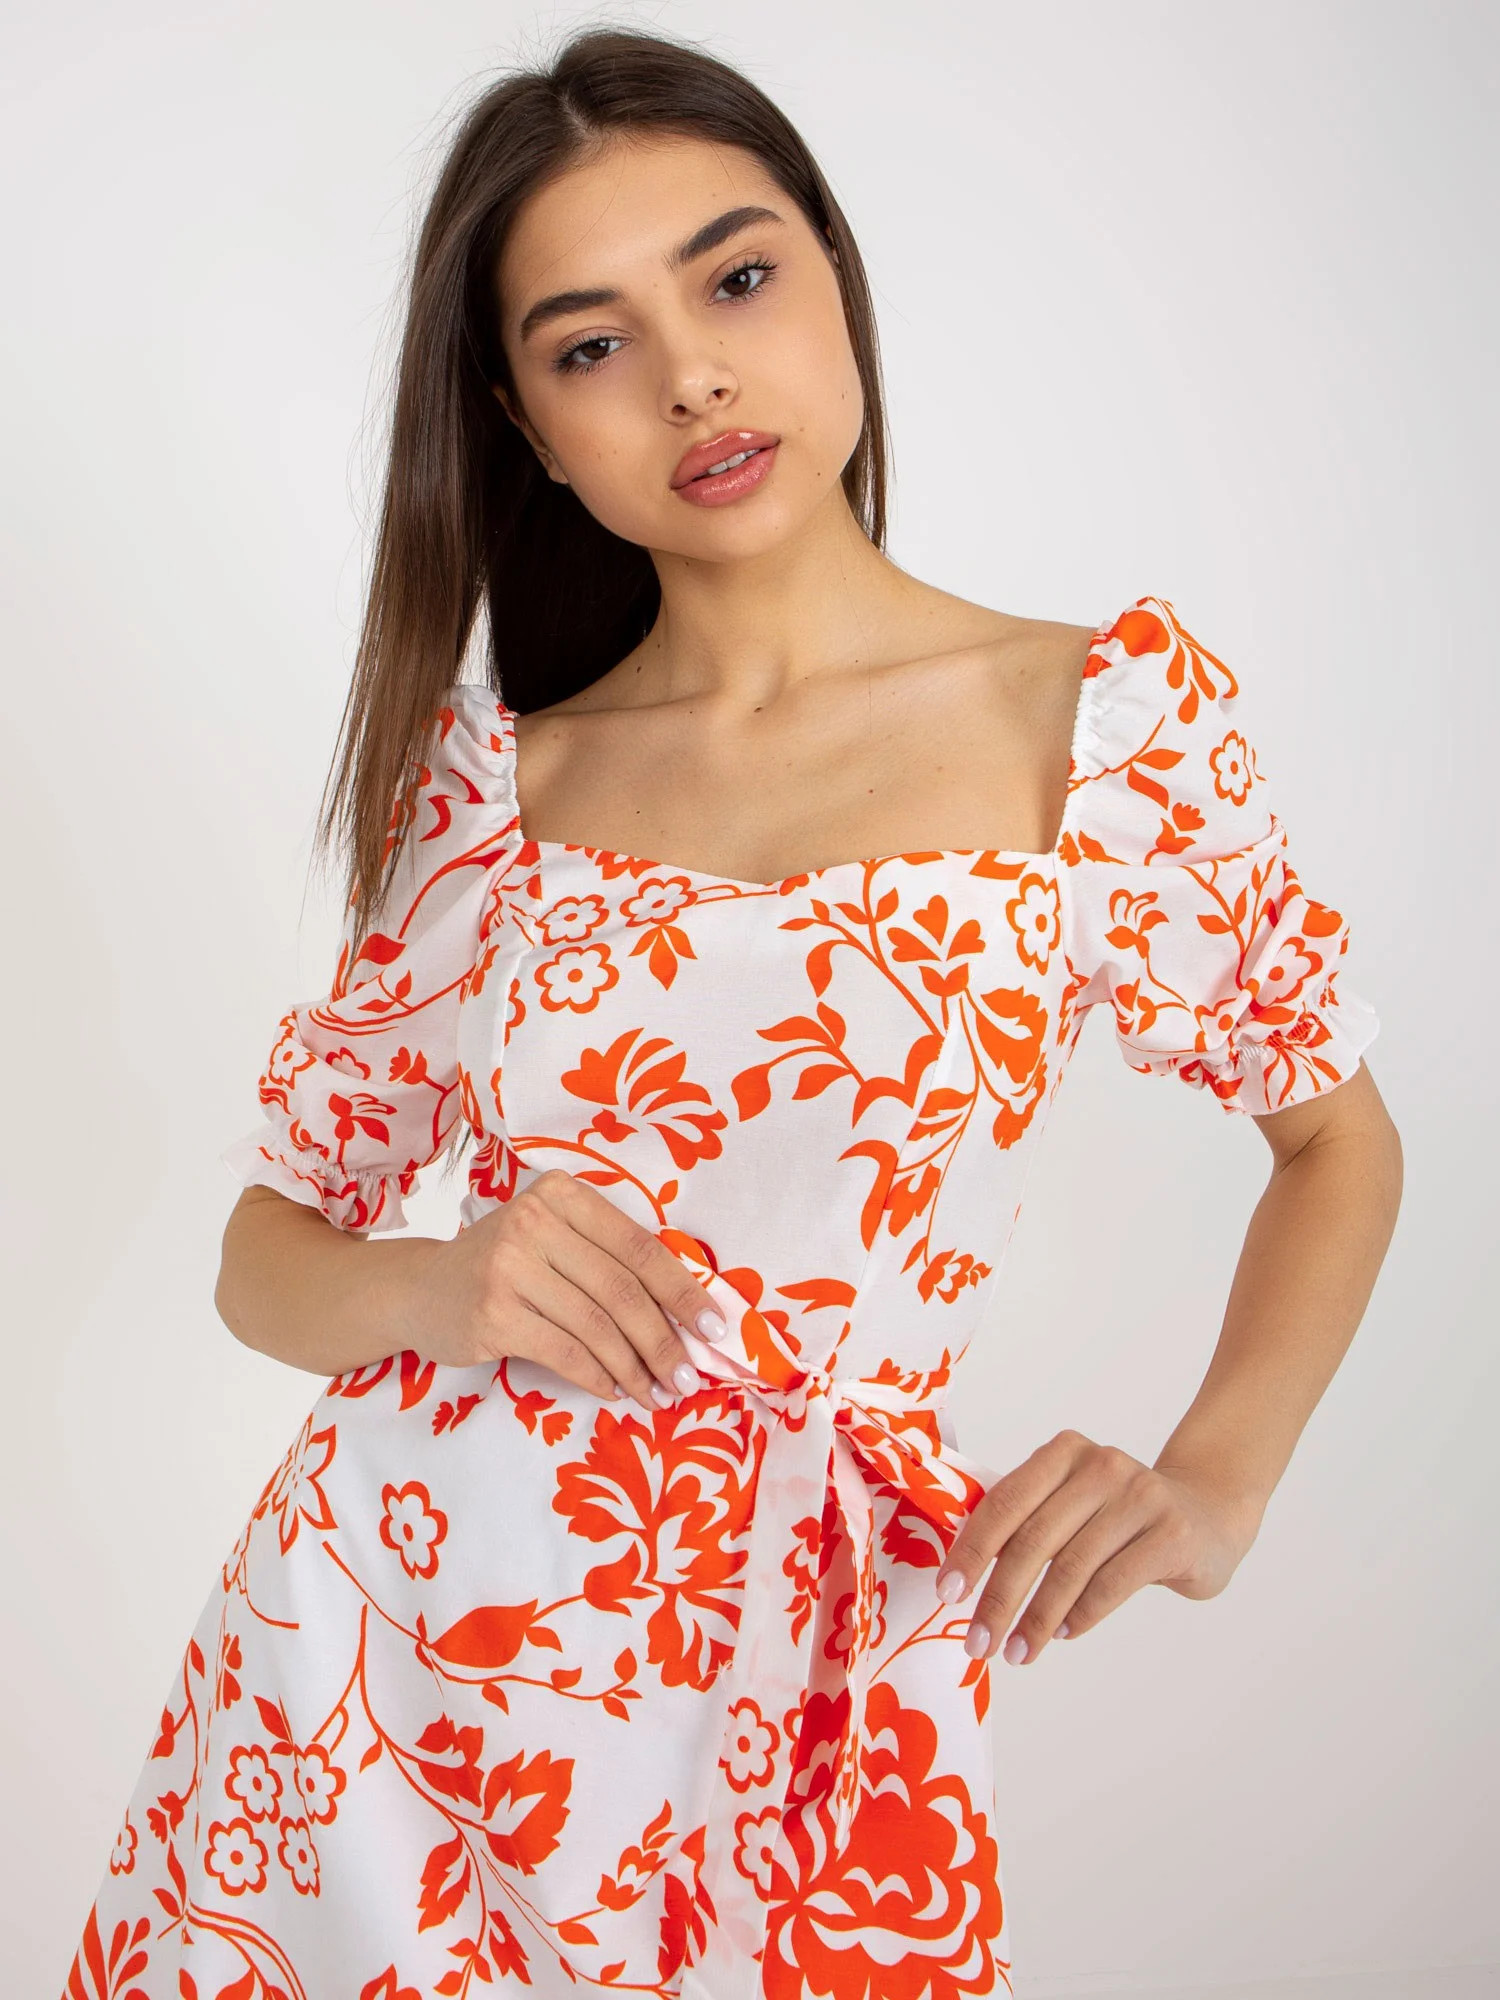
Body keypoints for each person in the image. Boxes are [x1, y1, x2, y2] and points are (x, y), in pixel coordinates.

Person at [63, 24, 1401, 2000]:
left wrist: (1219, 1479)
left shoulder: (1104, 726)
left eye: (740, 277)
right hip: (376, 1688)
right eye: (591, 344)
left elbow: (1335, 1134)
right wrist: (450, 1281)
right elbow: (266, 1256)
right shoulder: (494, 787)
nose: (691, 373)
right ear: (527, 428)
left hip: (827, 1683)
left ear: (836, 275)